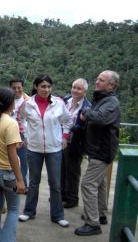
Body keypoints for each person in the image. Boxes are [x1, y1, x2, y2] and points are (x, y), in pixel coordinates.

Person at [18, 74, 72, 227]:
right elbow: (21, 119)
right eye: (43, 86)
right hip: (34, 148)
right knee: (34, 182)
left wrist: (65, 136)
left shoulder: (59, 103)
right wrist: (27, 135)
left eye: (48, 86)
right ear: (36, 87)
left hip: (54, 148)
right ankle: (29, 212)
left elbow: (68, 120)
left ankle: (57, 215)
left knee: (55, 183)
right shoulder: (27, 104)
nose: (46, 89)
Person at [75, 70, 120, 236]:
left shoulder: (111, 102)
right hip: (97, 149)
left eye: (101, 80)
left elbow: (100, 118)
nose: (97, 81)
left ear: (111, 85)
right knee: (99, 183)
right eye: (98, 78)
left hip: (102, 151)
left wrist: (86, 112)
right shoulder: (102, 99)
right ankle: (100, 214)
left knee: (87, 184)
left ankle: (92, 223)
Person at [0, 87, 26, 242]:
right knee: (14, 210)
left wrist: (16, 144)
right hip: (7, 174)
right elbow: (11, 155)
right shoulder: (11, 123)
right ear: (11, 103)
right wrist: (20, 180)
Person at [61, 78, 91, 208]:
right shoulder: (65, 101)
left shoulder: (87, 107)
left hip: (75, 144)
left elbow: (87, 129)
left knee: (72, 172)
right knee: (61, 170)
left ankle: (72, 199)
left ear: (85, 91)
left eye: (79, 88)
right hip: (60, 141)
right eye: (74, 87)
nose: (75, 90)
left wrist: (74, 128)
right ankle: (62, 195)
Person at [10, 79, 30, 187]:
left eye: (19, 87)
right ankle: (12, 184)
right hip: (8, 133)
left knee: (22, 160)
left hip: (21, 134)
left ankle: (23, 185)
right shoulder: (7, 100)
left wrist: (27, 136)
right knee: (10, 158)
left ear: (22, 88)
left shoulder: (28, 102)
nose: (17, 90)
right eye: (14, 88)